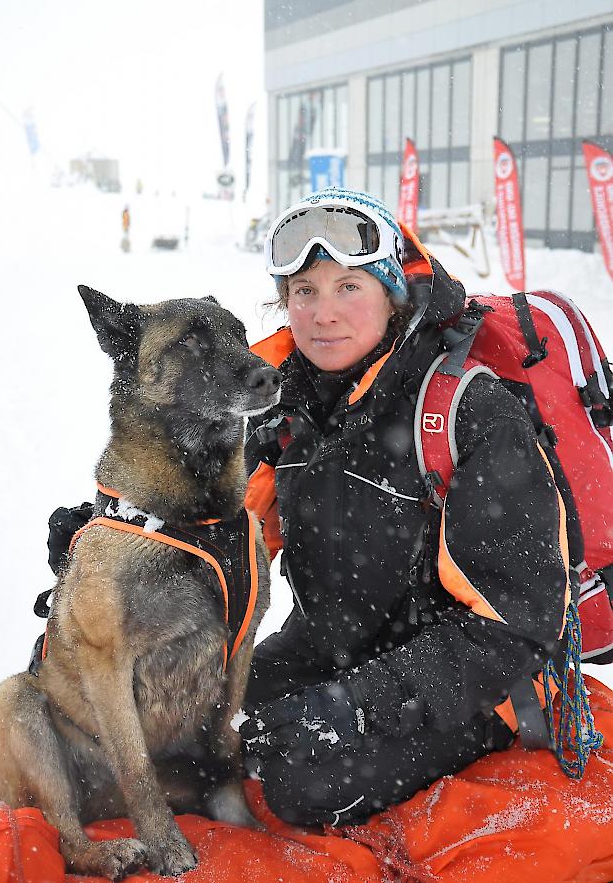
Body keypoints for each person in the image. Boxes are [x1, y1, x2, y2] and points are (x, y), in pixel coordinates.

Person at [239, 187, 568, 827]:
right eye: (304, 291)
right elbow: (227, 527)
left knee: (302, 785)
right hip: (343, 642)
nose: (322, 313)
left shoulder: (466, 411)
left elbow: (518, 622)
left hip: (477, 683)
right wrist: (118, 529)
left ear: (392, 296)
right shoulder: (290, 406)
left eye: (348, 287)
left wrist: (357, 706)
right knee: (211, 709)